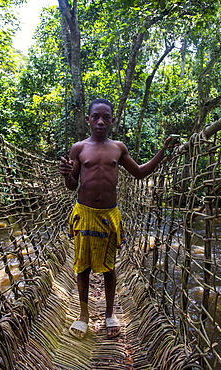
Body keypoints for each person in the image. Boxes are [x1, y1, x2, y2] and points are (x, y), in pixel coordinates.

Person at [59, 98, 171, 340]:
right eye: (95, 117)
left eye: (105, 117)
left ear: (112, 121)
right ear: (88, 119)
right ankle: (84, 315)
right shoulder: (79, 148)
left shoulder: (118, 148)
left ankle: (110, 313)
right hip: (84, 214)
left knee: (109, 266)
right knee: (83, 266)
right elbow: (72, 186)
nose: (100, 122)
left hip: (109, 216)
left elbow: (140, 172)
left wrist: (162, 152)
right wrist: (67, 174)